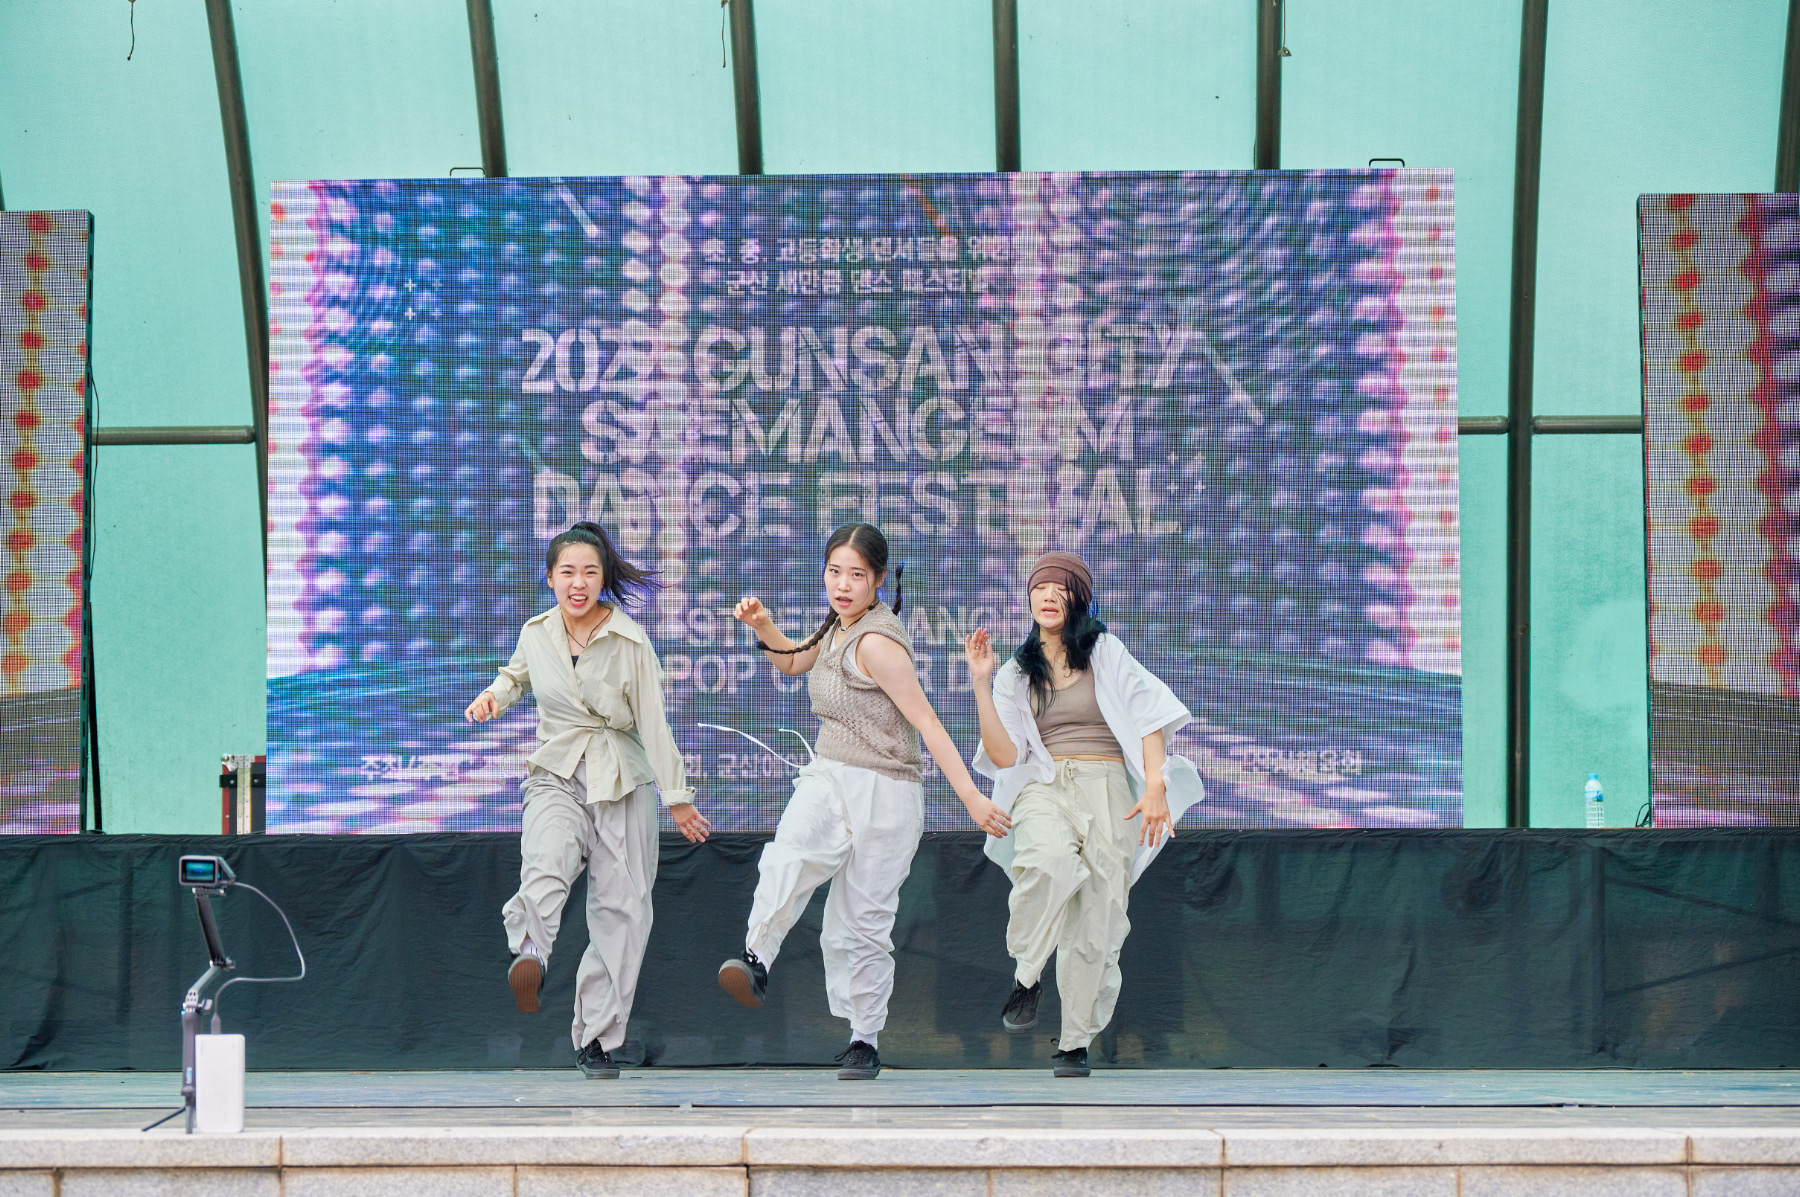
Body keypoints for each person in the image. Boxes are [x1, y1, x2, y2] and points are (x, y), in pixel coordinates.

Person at [716, 523, 1012, 1080]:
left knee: (858, 925)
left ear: (877, 580)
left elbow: (927, 723)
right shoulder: (837, 625)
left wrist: (972, 798)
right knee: (788, 852)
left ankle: (864, 1037)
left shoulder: (877, 642)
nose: (843, 585)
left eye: (856, 575)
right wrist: (763, 625)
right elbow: (795, 661)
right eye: (834, 572)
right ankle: (756, 959)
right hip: (830, 774)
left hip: (886, 790)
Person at [465, 521, 710, 1080]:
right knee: (545, 859)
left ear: (603, 580)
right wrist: (493, 696)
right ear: (550, 578)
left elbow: (654, 724)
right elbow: (516, 676)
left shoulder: (630, 641)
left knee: (623, 911)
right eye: (568, 572)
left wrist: (677, 797)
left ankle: (596, 1040)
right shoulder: (536, 632)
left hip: (622, 778)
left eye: (590, 573)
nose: (578, 583)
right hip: (557, 768)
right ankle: (530, 951)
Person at [962, 550, 1203, 1078]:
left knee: (1099, 916)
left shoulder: (1105, 651)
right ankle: (1027, 975)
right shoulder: (1014, 671)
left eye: (1062, 588)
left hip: (1108, 787)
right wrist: (981, 681)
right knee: (1046, 864)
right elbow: (1004, 756)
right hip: (1045, 785)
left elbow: (1150, 716)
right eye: (1040, 587)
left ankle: (1074, 1041)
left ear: (1080, 599)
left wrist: (1156, 785)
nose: (1049, 596)